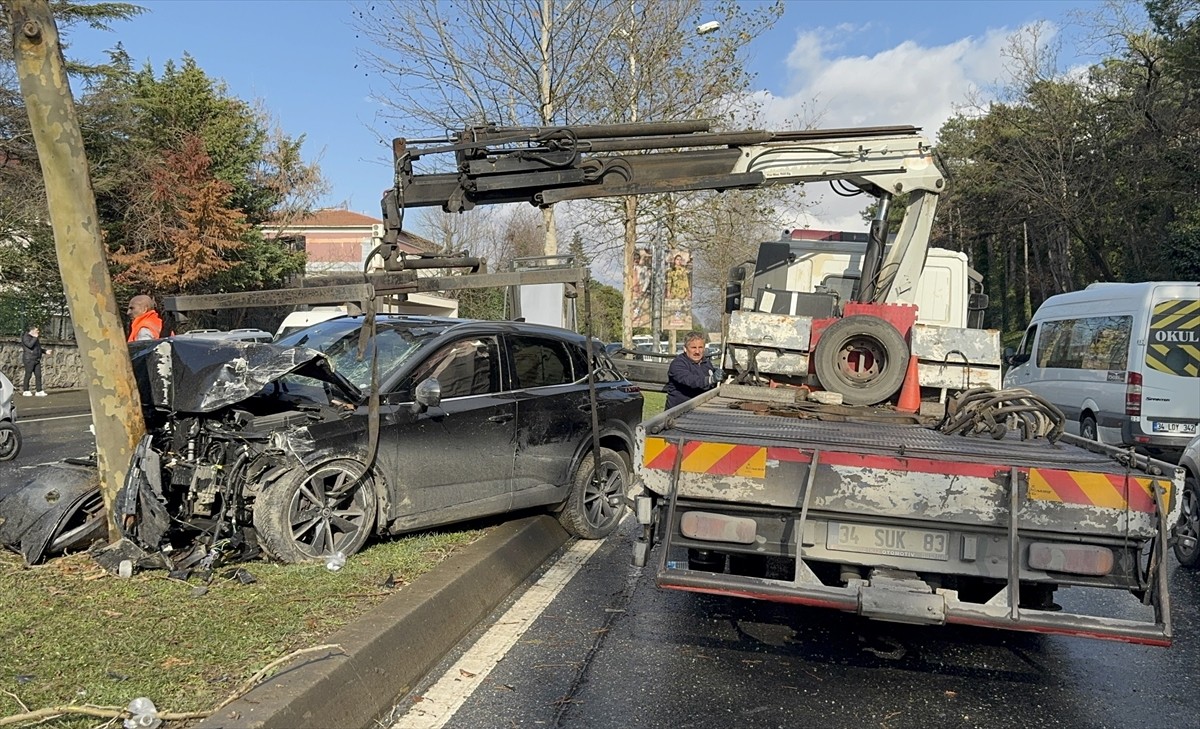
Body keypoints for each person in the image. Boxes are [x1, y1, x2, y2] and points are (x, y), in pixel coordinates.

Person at [665, 331, 718, 409]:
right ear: (685, 349)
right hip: (678, 411)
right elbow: (691, 380)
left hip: (703, 408)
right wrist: (711, 379)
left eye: (700, 347)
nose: (697, 351)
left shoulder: (706, 362)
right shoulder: (677, 364)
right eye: (693, 348)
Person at [20, 325, 46, 397]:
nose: (38, 332)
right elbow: (30, 345)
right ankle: (26, 390)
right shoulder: (26, 337)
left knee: (38, 375)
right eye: (36, 330)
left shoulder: (35, 338)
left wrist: (45, 351)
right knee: (28, 374)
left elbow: (37, 348)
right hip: (29, 359)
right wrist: (35, 337)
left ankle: (39, 390)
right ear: (32, 331)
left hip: (36, 358)